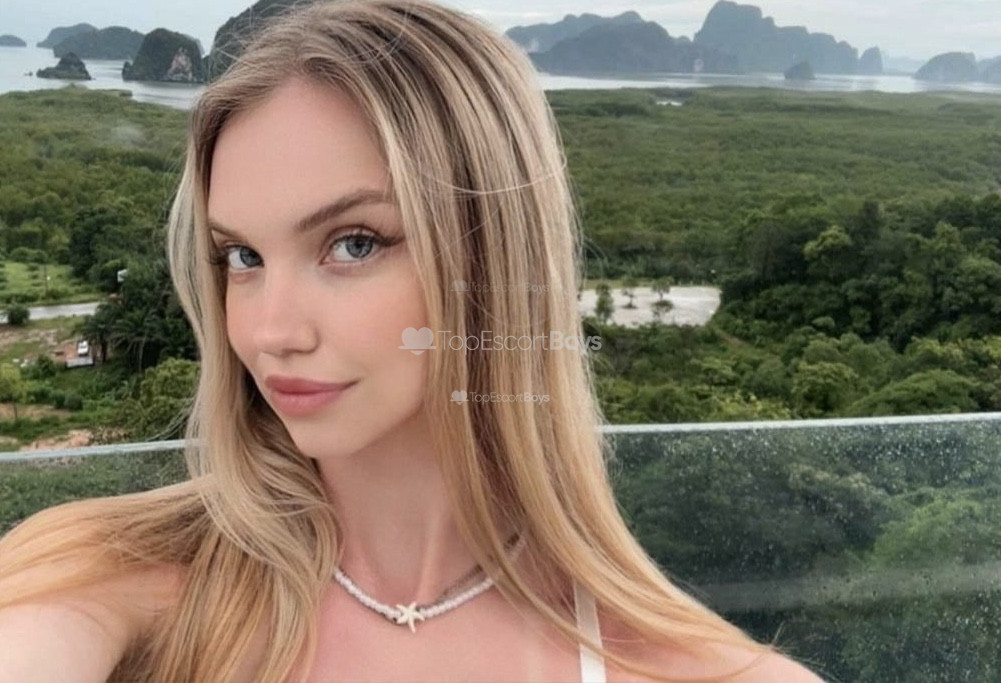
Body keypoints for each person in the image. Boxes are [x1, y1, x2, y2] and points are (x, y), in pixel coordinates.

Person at [0, 2, 824, 681]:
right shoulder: (112, 577)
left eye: (353, 243)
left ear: (490, 258)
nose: (270, 331)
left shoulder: (696, 669)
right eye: (242, 257)